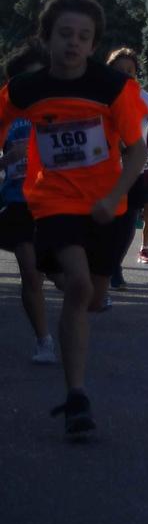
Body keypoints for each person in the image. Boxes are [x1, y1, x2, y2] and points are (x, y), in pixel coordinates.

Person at [0, 0, 148, 439]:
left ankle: (60, 281)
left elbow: (138, 151)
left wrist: (114, 196)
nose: (74, 43)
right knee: (80, 286)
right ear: (47, 38)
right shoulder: (26, 89)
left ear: (94, 43)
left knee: (92, 295)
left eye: (84, 37)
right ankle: (77, 395)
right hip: (54, 201)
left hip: (108, 205)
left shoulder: (112, 87)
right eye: (65, 34)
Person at [1, 47, 56, 363]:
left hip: (55, 200)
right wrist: (8, 158)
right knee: (30, 272)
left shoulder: (59, 110)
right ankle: (43, 340)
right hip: (18, 200)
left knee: (65, 277)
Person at [105, 48, 148, 270]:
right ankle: (104, 262)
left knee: (127, 221)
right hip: (103, 168)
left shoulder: (143, 97)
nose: (125, 74)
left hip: (134, 169)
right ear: (109, 71)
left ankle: (115, 266)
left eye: (130, 70)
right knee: (106, 219)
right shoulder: (100, 95)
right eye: (119, 70)